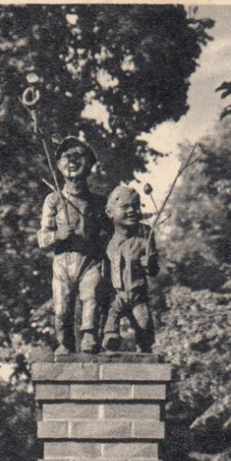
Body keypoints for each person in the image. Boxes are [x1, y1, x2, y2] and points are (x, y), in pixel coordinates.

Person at [37, 137, 109, 354]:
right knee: (61, 312)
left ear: (89, 165)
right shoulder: (54, 200)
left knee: (92, 298)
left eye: (79, 156)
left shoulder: (99, 203)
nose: (72, 161)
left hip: (89, 262)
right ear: (58, 165)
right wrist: (58, 235)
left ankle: (89, 337)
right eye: (66, 157)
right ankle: (65, 343)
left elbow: (112, 235)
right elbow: (42, 239)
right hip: (62, 264)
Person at [102, 184, 159, 353]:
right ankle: (109, 339)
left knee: (145, 326)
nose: (132, 210)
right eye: (125, 207)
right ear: (110, 212)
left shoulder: (145, 235)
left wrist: (149, 263)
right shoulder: (106, 238)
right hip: (115, 295)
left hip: (137, 294)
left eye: (135, 206)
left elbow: (153, 271)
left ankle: (145, 354)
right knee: (110, 322)